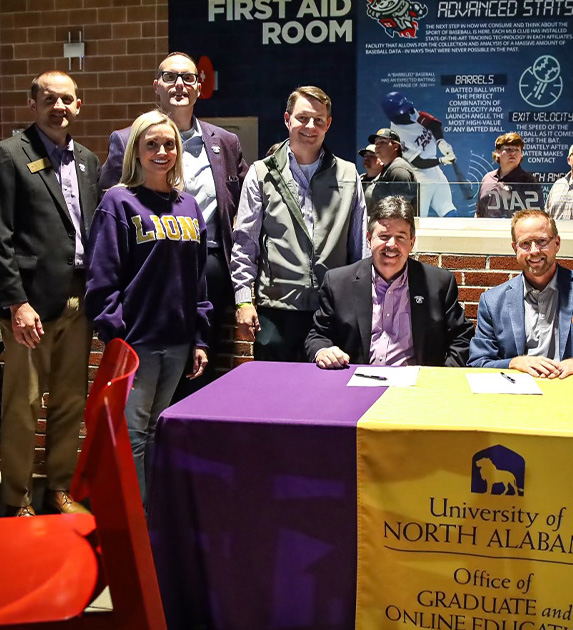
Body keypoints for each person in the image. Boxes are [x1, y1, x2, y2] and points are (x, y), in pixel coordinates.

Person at [0, 70, 100, 517]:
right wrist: (15, 302)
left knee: (71, 402)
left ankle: (59, 489)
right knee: (23, 405)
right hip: (28, 305)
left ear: (78, 105)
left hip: (78, 299)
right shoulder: (8, 156)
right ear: (33, 104)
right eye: (49, 99)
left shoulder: (88, 160)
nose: (59, 107)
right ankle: (16, 498)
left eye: (67, 100)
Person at [86, 110, 212, 502]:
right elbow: (101, 276)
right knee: (134, 435)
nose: (162, 151)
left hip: (176, 342)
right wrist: (115, 336)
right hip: (136, 343)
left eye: (169, 144)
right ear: (136, 151)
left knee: (157, 430)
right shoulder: (118, 201)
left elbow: (198, 279)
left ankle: (155, 519)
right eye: (151, 144)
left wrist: (200, 338)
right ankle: (136, 524)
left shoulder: (189, 205)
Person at [101, 52, 247, 391]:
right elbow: (108, 214)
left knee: (202, 362)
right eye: (170, 77)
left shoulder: (225, 142)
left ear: (199, 87)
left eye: (188, 77)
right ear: (157, 86)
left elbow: (242, 207)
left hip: (209, 266)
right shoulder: (125, 140)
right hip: (148, 266)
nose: (179, 84)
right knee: (149, 374)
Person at [230, 86, 367, 361]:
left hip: (331, 311)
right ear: (287, 119)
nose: (310, 126)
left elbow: (360, 246)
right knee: (274, 394)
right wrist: (244, 300)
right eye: (303, 118)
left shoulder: (349, 174)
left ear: (328, 124)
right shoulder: (261, 173)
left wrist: (362, 303)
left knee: (328, 396)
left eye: (318, 120)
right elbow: (245, 245)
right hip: (277, 310)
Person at [306, 196, 473, 368]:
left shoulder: (438, 284)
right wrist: (323, 351)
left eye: (400, 237)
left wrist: (440, 379)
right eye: (384, 236)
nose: (391, 244)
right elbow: (317, 335)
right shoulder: (338, 283)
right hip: (356, 383)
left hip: (417, 388)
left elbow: (461, 339)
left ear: (412, 242)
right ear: (369, 239)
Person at [469, 209, 573, 376]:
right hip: (516, 396)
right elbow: (478, 362)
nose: (534, 251)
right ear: (514, 248)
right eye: (525, 244)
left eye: (541, 241)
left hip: (572, 393)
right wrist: (514, 363)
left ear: (557, 243)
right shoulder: (492, 301)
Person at [381, 91, 459, 217]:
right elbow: (419, 162)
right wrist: (442, 160)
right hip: (420, 179)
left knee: (448, 210)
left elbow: (433, 124)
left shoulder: (410, 112)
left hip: (435, 172)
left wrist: (440, 141)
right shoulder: (399, 135)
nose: (407, 113)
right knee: (418, 220)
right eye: (403, 112)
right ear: (393, 117)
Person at [475, 132, 540, 218]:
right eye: (508, 149)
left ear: (521, 155)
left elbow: (536, 217)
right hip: (487, 230)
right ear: (498, 152)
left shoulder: (529, 182)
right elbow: (478, 212)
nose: (512, 153)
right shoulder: (487, 179)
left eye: (516, 150)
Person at [369, 127, 417, 211]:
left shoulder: (398, 169)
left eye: (382, 142)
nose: (377, 146)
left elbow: (399, 210)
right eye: (376, 143)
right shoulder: (388, 167)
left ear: (395, 146)